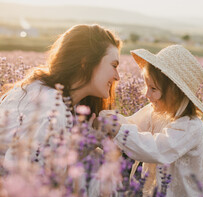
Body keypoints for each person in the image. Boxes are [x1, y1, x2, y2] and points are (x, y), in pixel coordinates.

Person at [100, 45, 203, 197]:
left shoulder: (191, 127)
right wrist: (109, 119)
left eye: (153, 89)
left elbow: (157, 150)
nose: (146, 94)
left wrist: (117, 130)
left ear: (174, 92)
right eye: (146, 86)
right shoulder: (155, 112)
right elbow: (131, 124)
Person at [0, 24, 121, 165]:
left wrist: (84, 148)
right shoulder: (51, 109)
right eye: (114, 65)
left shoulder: (56, 98)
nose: (117, 77)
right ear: (86, 63)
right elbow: (24, 178)